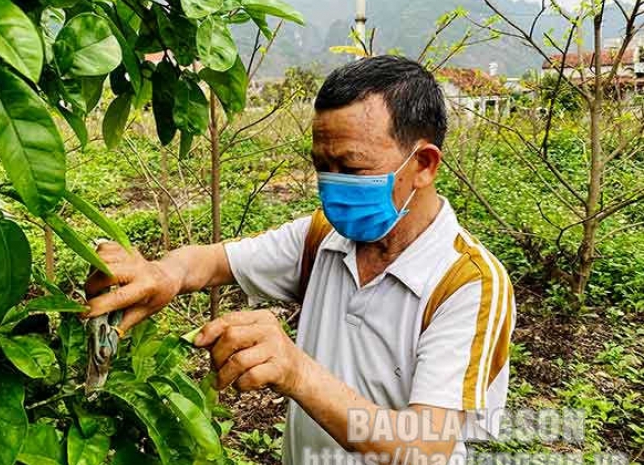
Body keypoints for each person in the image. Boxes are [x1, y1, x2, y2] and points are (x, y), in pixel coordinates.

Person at [82, 55, 516, 464]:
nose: (331, 185)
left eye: (351, 168)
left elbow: (425, 446)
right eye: (322, 166)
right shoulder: (324, 237)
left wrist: (297, 373)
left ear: (422, 163)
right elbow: (214, 262)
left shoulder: (469, 282)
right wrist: (163, 273)